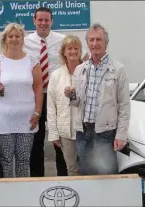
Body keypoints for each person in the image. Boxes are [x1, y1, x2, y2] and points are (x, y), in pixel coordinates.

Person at [23, 7, 88, 177]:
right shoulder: (25, 42)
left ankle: (63, 178)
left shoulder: (62, 40)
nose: (43, 23)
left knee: (59, 141)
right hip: (34, 97)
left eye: (46, 20)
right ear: (34, 21)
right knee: (36, 142)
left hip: (59, 96)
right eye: (40, 20)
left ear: (52, 21)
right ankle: (37, 179)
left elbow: (81, 56)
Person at [66, 23, 131, 175]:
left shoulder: (118, 69)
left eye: (98, 40)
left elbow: (124, 106)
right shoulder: (80, 69)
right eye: (91, 40)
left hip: (105, 133)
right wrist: (72, 95)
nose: (95, 44)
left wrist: (121, 135)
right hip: (83, 131)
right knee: (86, 174)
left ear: (106, 43)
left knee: (106, 174)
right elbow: (77, 102)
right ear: (87, 43)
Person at [0, 23, 43, 178]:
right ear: (5, 39)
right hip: (3, 119)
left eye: (17, 36)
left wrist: (38, 112)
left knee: (24, 160)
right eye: (10, 36)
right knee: (6, 160)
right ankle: (8, 195)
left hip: (28, 119)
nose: (14, 39)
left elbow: (38, 89)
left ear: (22, 39)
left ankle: (23, 195)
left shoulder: (32, 61)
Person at [46, 35, 84, 176]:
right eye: (69, 48)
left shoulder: (87, 71)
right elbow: (51, 106)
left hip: (85, 131)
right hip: (65, 132)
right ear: (64, 52)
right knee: (72, 168)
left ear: (80, 51)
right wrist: (54, 133)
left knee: (87, 167)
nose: (73, 51)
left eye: (76, 48)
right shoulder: (56, 75)